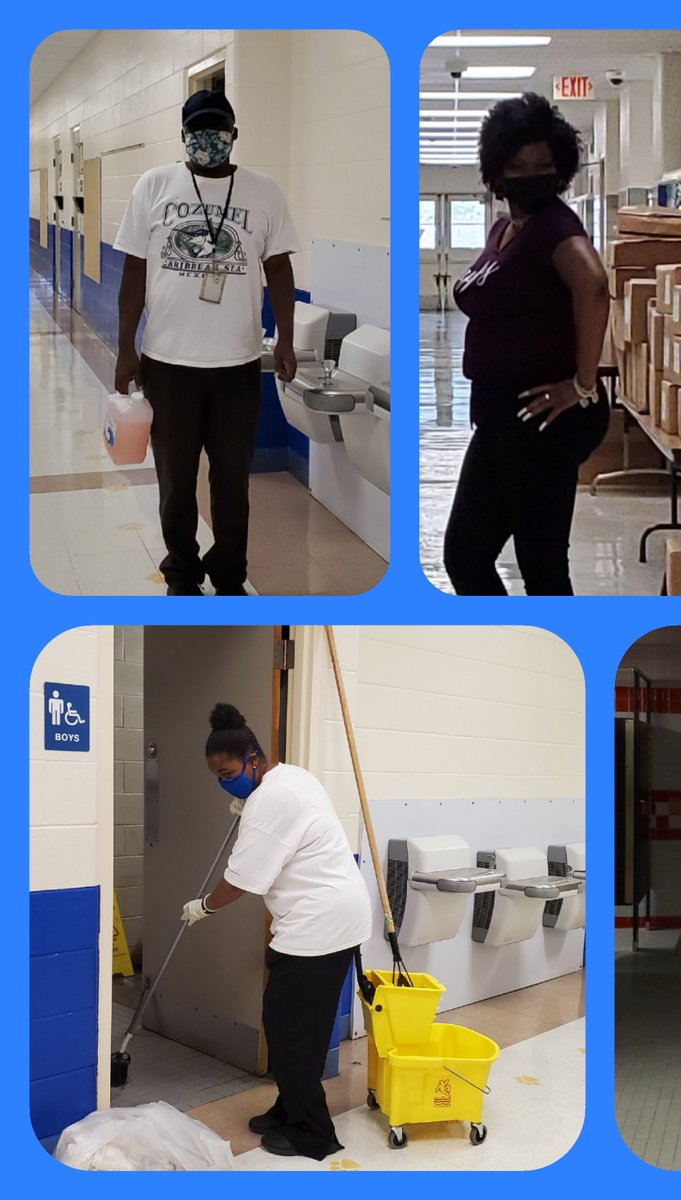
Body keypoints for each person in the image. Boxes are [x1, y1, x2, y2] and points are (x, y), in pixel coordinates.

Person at [113, 90, 301, 596]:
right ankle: (181, 573)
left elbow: (279, 267)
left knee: (232, 481)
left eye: (217, 129)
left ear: (234, 134)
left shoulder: (263, 192)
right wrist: (126, 347)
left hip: (237, 365)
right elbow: (134, 271)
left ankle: (230, 574)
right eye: (197, 130)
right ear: (182, 135)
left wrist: (285, 338)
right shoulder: (154, 185)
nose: (208, 139)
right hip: (167, 363)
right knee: (175, 481)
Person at [181, 703, 372, 1159]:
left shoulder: (271, 800)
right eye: (218, 777)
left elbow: (242, 881)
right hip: (327, 917)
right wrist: (249, 803)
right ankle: (289, 1108)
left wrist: (203, 907)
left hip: (319, 924)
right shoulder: (291, 777)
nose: (224, 783)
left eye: (229, 773)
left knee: (290, 1034)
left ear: (253, 759)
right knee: (293, 1027)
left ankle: (314, 1132)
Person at [444, 92, 610, 596]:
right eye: (517, 166)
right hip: (500, 417)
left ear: (561, 170)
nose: (531, 177)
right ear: (497, 171)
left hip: (542, 419)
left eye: (543, 167)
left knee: (541, 565)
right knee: (466, 555)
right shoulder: (507, 228)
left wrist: (583, 385)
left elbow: (594, 285)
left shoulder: (556, 228)